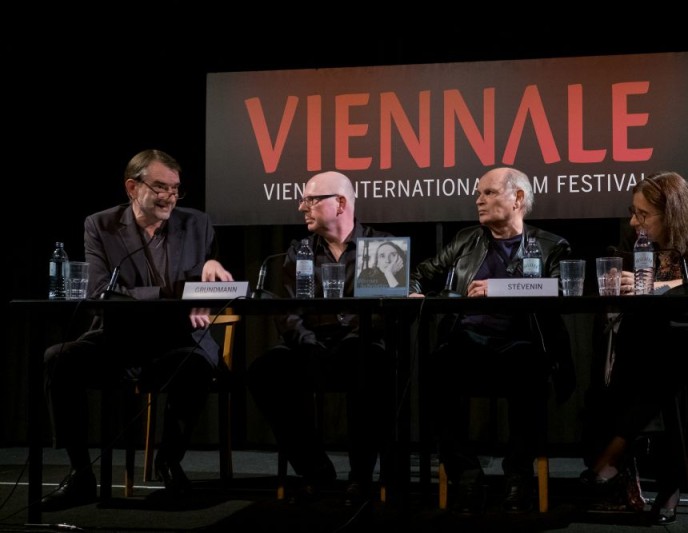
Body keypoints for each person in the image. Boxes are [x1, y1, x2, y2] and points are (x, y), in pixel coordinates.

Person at [41, 149, 234, 510]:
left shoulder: (197, 224)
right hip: (119, 338)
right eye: (160, 187)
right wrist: (168, 294)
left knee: (193, 367)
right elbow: (101, 292)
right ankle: (81, 473)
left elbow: (209, 285)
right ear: (132, 187)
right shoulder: (100, 225)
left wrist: (211, 270)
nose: (169, 197)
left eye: (176, 189)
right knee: (60, 358)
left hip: (180, 339)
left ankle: (169, 461)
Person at [408, 167, 574, 515]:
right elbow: (422, 273)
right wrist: (412, 289)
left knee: (529, 366)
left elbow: (562, 290)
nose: (478, 200)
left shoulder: (550, 246)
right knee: (437, 366)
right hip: (468, 342)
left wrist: (500, 288)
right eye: (478, 193)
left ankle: (518, 477)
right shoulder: (467, 240)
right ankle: (467, 476)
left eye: (488, 193)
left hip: (521, 344)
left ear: (517, 198)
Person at [580, 171, 688, 525]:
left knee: (675, 368)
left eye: (643, 214)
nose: (634, 221)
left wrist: (650, 284)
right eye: (633, 212)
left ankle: (615, 453)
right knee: (665, 373)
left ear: (672, 213)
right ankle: (672, 483)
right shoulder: (637, 244)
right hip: (656, 346)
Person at [247, 171, 395, 507]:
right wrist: (307, 341)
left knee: (369, 361)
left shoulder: (380, 246)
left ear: (340, 203)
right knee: (265, 371)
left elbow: (383, 314)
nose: (302, 207)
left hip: (359, 346)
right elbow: (287, 311)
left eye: (311, 200)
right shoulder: (298, 251)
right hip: (310, 346)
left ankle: (361, 477)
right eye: (303, 200)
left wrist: (353, 338)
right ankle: (315, 470)